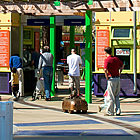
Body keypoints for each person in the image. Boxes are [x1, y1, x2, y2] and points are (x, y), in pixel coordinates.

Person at [104, 47, 124, 116]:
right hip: (117, 78)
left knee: (111, 95)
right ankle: (118, 110)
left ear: (105, 52)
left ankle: (110, 111)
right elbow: (122, 65)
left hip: (111, 78)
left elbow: (105, 69)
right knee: (117, 96)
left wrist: (106, 76)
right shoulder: (116, 59)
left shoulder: (107, 60)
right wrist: (119, 72)